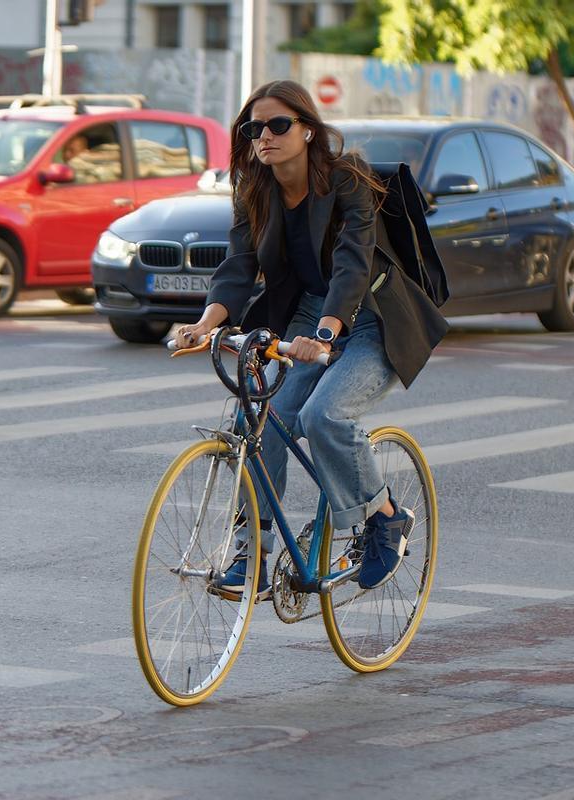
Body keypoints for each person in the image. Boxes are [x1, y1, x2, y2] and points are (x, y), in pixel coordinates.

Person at [173, 80, 446, 596]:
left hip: (373, 320)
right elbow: (239, 264)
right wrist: (206, 323)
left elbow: (352, 263)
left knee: (325, 416)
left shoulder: (348, 180)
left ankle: (386, 517)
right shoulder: (255, 189)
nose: (265, 136)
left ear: (307, 129)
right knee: (261, 419)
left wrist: (325, 333)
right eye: (254, 128)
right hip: (306, 318)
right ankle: (250, 551)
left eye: (278, 125)